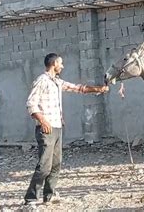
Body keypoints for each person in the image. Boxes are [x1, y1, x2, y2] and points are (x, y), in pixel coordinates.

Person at [24, 53, 109, 205]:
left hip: (57, 127)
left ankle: (48, 196)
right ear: (54, 63)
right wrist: (43, 121)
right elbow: (31, 104)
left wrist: (99, 89)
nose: (62, 66)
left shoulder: (57, 81)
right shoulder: (41, 80)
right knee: (44, 166)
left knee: (56, 164)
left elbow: (78, 88)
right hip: (46, 129)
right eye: (60, 63)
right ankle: (30, 199)